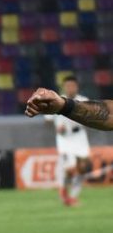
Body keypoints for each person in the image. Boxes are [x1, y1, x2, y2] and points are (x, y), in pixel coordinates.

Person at [37, 76, 93, 207]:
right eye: (68, 86)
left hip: (80, 136)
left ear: (77, 87)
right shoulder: (56, 100)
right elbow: (47, 120)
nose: (70, 88)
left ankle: (72, 196)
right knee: (70, 168)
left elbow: (92, 118)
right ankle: (63, 191)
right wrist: (56, 126)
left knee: (83, 168)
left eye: (72, 86)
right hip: (64, 138)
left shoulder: (84, 101)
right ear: (63, 87)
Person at [25, 87, 113, 130]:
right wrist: (63, 106)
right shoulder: (62, 97)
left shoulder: (82, 98)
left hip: (80, 138)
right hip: (64, 139)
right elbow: (108, 114)